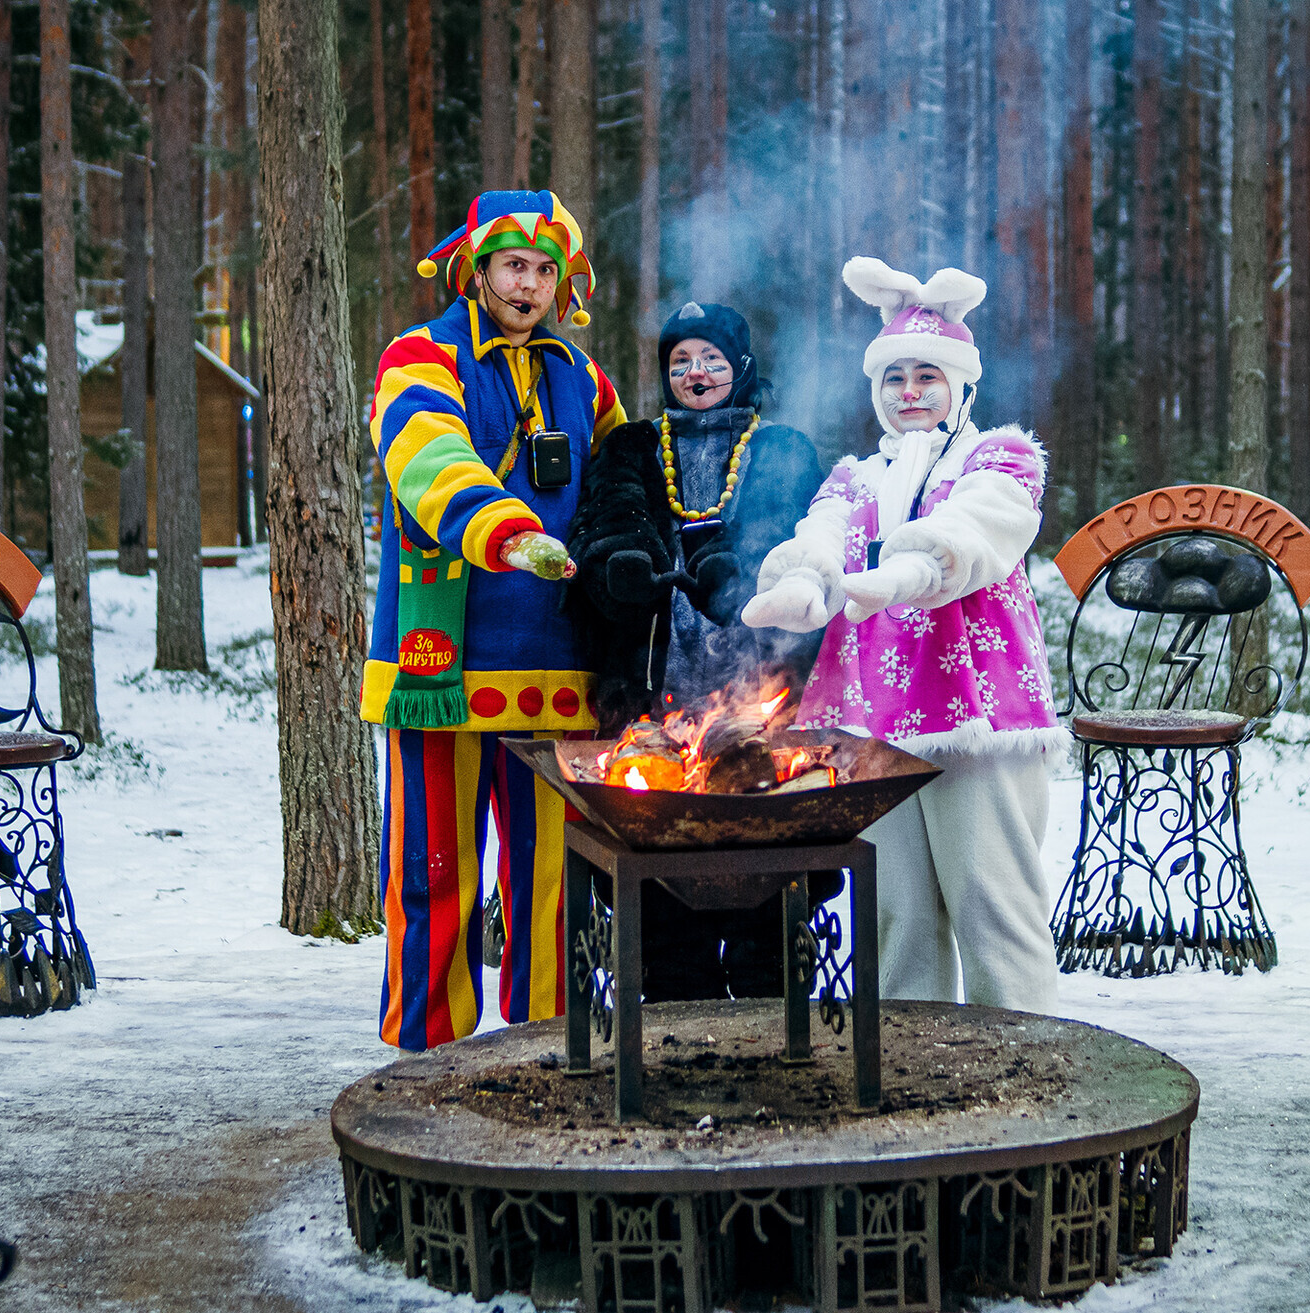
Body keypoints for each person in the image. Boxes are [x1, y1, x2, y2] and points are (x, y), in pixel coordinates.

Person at [741, 257, 1066, 1014]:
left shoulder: (1001, 457)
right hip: (874, 716)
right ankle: (911, 1066)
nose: (910, 391)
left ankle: (1022, 1072)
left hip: (976, 715)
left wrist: (911, 569)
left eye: (927, 375)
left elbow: (980, 527)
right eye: (894, 378)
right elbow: (821, 535)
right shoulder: (855, 478)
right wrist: (800, 582)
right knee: (897, 914)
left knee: (992, 903)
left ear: (961, 385)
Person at [364, 190, 627, 1050]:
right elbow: (427, 455)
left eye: (547, 270)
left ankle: (550, 1044)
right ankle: (426, 1052)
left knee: (553, 878)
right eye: (516, 265)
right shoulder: (420, 356)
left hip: (557, 657)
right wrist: (508, 534)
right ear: (478, 270)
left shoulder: (585, 380)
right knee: (435, 872)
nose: (532, 284)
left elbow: (624, 486)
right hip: (447, 655)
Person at [567, 301, 826, 1000]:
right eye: (680, 360)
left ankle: (772, 1000)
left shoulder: (785, 450)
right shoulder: (629, 447)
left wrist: (738, 576)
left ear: (739, 367)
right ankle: (675, 1001)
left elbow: (799, 539)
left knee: (765, 861)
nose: (695, 371)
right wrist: (621, 563)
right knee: (658, 867)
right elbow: (608, 519)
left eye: (710, 357)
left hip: (759, 694)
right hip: (652, 699)